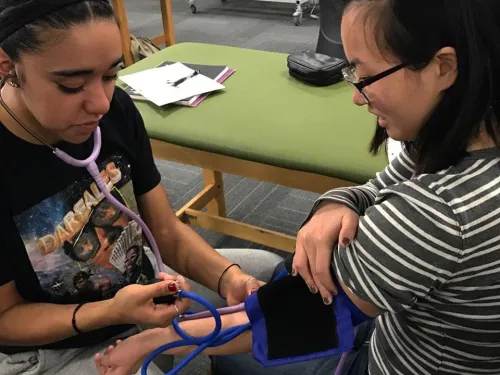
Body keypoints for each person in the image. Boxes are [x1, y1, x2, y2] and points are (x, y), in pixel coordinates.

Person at [95, 0, 500, 374]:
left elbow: (303, 316)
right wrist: (333, 206)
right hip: (403, 324)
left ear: (444, 67)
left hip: (398, 359)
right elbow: (376, 188)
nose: (357, 96)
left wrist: (158, 341)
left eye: (367, 75)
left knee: (228, 357)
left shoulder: (437, 211)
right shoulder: (466, 135)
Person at [0, 1, 284, 374]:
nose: (100, 103)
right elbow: (6, 318)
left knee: (267, 270)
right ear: (8, 67)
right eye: (71, 86)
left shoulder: (116, 110)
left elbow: (165, 231)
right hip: (55, 346)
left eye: (110, 74)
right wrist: (110, 312)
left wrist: (229, 278)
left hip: (143, 294)